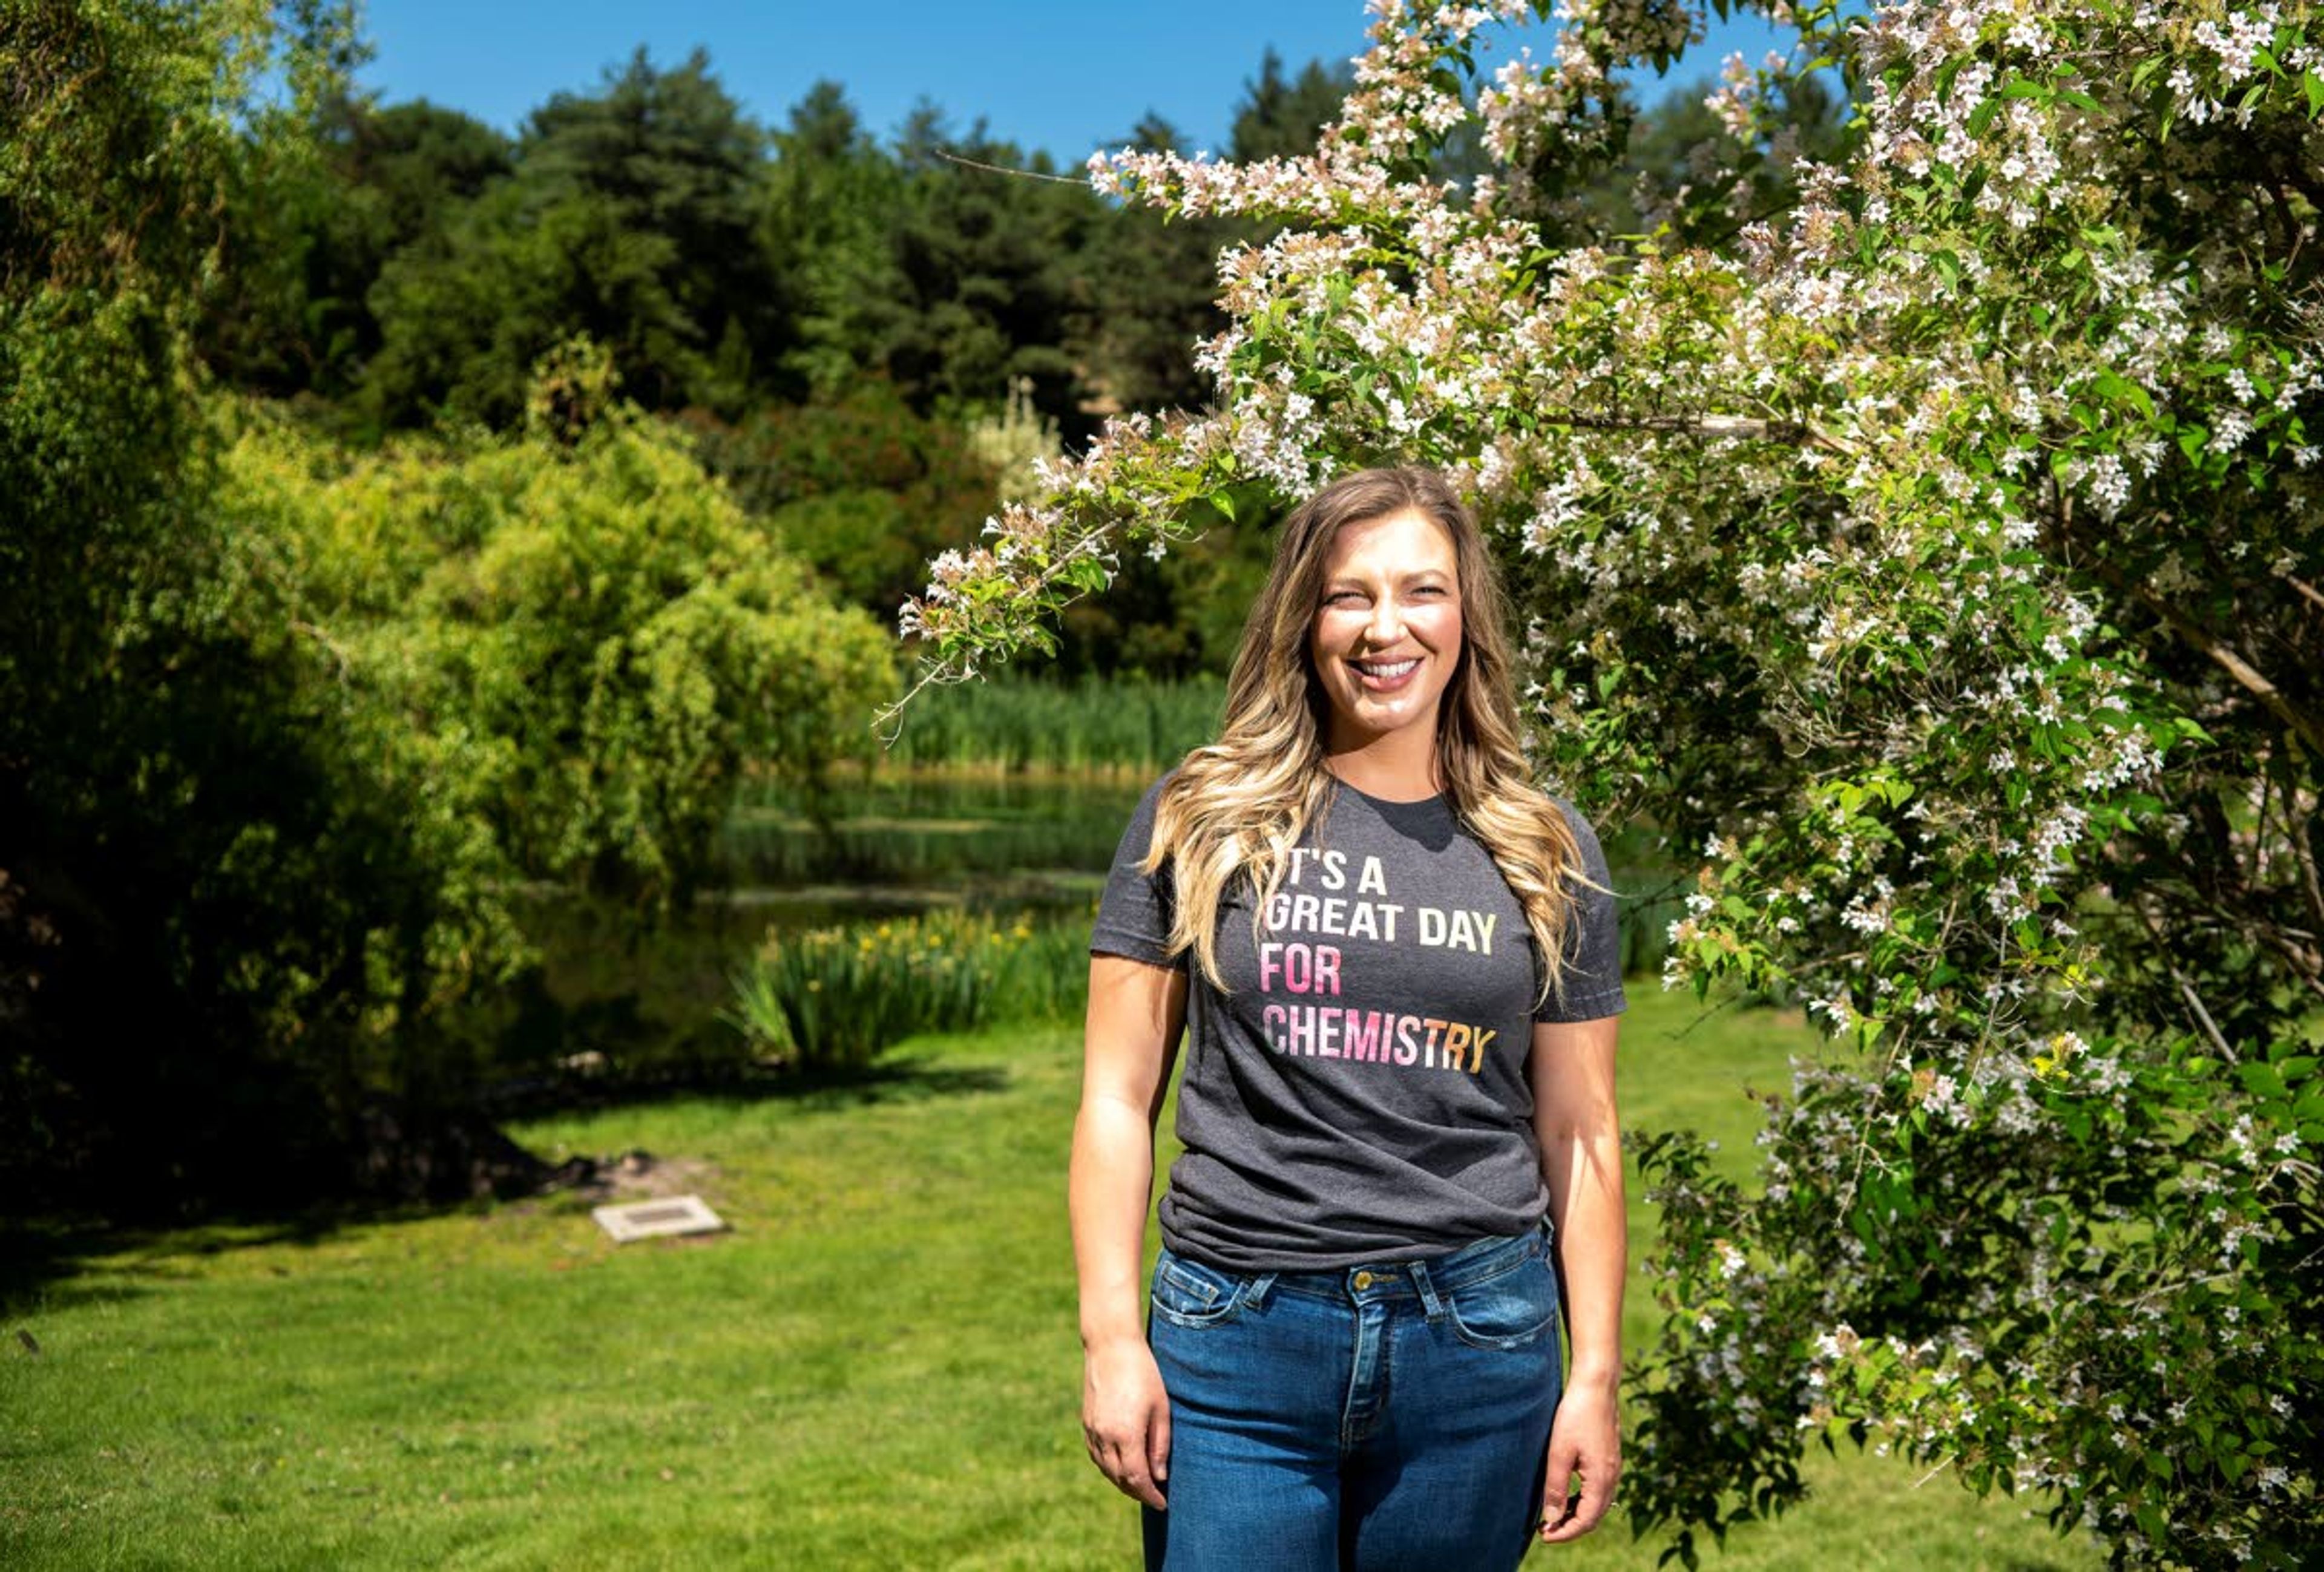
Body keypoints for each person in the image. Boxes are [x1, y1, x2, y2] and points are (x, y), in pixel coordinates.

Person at [1070, 465, 1629, 1571]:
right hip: (1237, 1342)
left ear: (1465, 617)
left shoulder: (1544, 844)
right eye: (1349, 595)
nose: (1387, 627)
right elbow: (1115, 1096)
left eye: (1422, 591)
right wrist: (1111, 1336)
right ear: (1303, 618)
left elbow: (1582, 1130)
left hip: (1477, 1345)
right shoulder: (1203, 813)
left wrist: (1596, 1373)